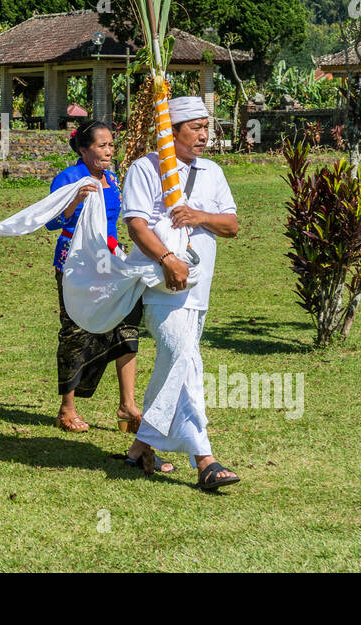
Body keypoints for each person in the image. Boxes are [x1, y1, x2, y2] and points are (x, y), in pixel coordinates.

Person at [121, 96, 241, 489]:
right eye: (196, 127)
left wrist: (199, 216)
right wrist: (168, 259)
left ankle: (140, 445)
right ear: (170, 132)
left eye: (207, 127)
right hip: (162, 285)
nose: (205, 135)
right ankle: (203, 458)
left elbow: (232, 225)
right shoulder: (145, 168)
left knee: (177, 361)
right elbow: (136, 224)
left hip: (200, 289)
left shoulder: (211, 172)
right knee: (183, 357)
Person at [45, 120, 143, 434]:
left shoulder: (112, 179)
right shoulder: (69, 178)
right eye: (102, 146)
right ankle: (67, 408)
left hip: (109, 260)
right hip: (77, 262)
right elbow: (51, 222)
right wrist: (76, 199)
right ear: (85, 149)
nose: (109, 151)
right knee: (76, 329)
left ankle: (128, 406)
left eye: (112, 145)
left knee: (126, 325)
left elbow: (119, 220)